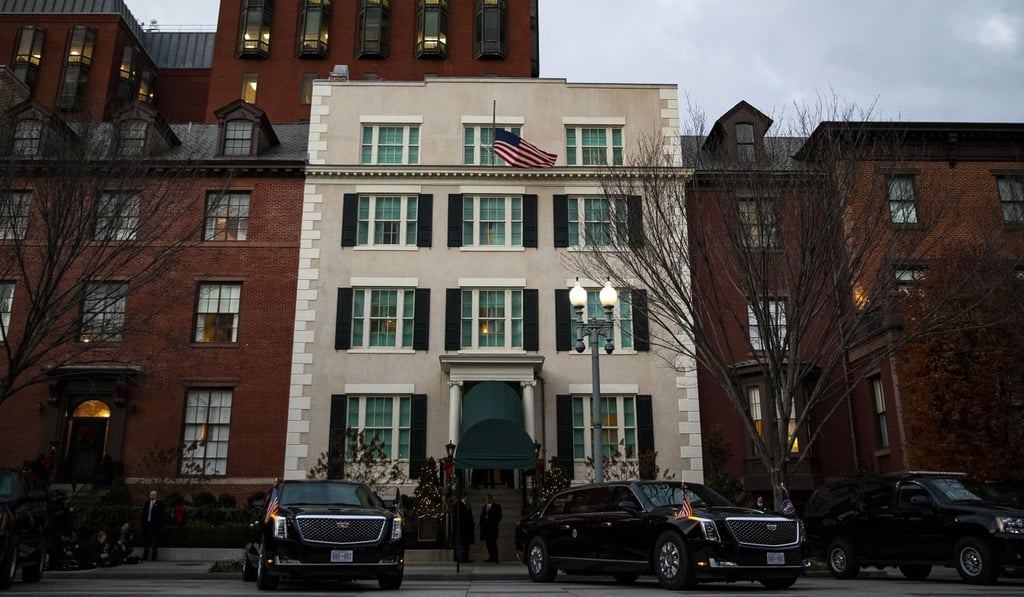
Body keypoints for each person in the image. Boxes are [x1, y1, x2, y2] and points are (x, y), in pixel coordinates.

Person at [140, 489, 166, 561]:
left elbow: (161, 515)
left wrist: (159, 525)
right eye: (151, 495)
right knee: (146, 542)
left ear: (156, 496)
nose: (151, 496)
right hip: (147, 525)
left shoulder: (159, 504)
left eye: (153, 495)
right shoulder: (147, 504)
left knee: (154, 543)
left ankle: (154, 557)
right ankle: (145, 556)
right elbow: (143, 514)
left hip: (155, 526)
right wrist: (143, 524)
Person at [479, 493, 503, 563]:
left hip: (493, 529)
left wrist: (494, 523)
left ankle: (496, 558)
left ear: (491, 499)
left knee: (493, 544)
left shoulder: (497, 506)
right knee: (488, 544)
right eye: (486, 499)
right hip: (486, 530)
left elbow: (499, 516)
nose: (488, 500)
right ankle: (491, 557)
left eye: (489, 498)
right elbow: (482, 517)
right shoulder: (484, 507)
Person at [452, 492, 474, 563]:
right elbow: (456, 517)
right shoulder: (458, 505)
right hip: (461, 528)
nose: (468, 498)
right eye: (467, 497)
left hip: (467, 528)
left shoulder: (468, 505)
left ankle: (465, 558)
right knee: (462, 544)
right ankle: (461, 558)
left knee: (466, 544)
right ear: (464, 497)